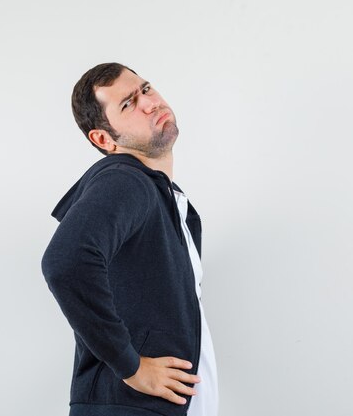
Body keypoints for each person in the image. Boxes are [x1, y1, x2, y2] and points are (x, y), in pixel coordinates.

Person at [41, 62, 219, 416]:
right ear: (104, 139)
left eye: (146, 89)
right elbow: (65, 262)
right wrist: (132, 367)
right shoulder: (125, 179)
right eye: (128, 104)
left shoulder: (166, 200)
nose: (149, 103)